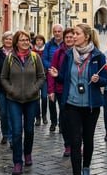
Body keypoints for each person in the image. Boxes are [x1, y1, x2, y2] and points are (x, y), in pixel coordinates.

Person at [49, 23, 107, 175]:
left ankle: (87, 167)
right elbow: (64, 78)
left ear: (86, 36)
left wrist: (99, 79)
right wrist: (56, 76)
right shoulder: (68, 55)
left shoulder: (98, 56)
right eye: (73, 33)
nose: (73, 36)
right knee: (75, 141)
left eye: (77, 33)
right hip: (72, 104)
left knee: (88, 139)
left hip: (91, 105)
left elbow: (105, 79)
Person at [0, 30, 45, 175]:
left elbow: (41, 76)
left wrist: (34, 89)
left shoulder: (34, 57)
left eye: (27, 40)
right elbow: (3, 77)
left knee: (29, 130)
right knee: (17, 131)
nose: (25, 42)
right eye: (22, 40)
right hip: (14, 100)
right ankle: (17, 162)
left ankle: (28, 153)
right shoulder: (10, 58)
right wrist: (11, 90)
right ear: (16, 43)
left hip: (31, 99)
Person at [47, 27, 75, 157]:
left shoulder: (79, 52)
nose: (69, 39)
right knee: (64, 118)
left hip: (76, 90)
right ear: (64, 39)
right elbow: (52, 72)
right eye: (67, 37)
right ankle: (68, 145)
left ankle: (76, 144)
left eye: (71, 37)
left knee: (76, 119)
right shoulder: (59, 53)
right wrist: (51, 90)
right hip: (61, 90)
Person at [42, 24, 64, 131]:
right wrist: (51, 67)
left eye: (59, 31)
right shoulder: (49, 45)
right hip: (51, 75)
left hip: (62, 76)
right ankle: (53, 122)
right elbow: (44, 58)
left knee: (62, 102)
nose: (57, 33)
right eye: (55, 31)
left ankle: (61, 124)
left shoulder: (66, 44)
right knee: (51, 101)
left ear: (62, 32)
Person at [0, 31, 14, 146]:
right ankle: (5, 134)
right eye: (6, 39)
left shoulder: (16, 53)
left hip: (13, 88)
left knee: (12, 113)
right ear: (3, 40)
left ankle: (11, 137)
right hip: (1, 88)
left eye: (10, 39)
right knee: (3, 113)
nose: (8, 41)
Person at [32, 34, 48, 126]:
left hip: (45, 78)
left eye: (41, 40)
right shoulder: (32, 51)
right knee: (36, 99)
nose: (39, 42)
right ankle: (37, 117)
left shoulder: (46, 51)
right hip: (35, 79)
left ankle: (44, 115)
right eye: (37, 40)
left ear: (43, 41)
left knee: (44, 97)